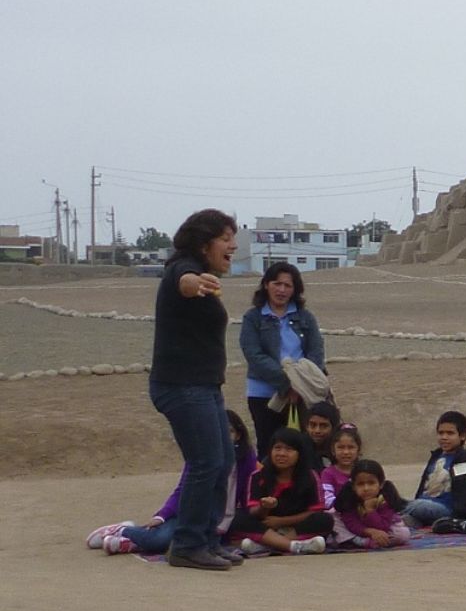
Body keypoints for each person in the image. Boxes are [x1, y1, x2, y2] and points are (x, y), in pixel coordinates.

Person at [148, 208, 242, 571]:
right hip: (182, 386)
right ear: (205, 244)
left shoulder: (197, 269)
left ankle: (207, 540)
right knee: (206, 464)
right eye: (226, 239)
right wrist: (195, 283)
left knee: (223, 462)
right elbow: (183, 281)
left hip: (202, 386)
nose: (233, 245)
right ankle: (186, 544)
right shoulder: (183, 268)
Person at [87, 410, 257, 557]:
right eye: (218, 432)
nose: (223, 437)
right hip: (189, 514)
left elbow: (248, 494)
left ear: (238, 435)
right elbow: (183, 489)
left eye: (229, 432)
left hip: (219, 523)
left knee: (188, 545)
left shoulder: (247, 458)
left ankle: (130, 543)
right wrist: (161, 516)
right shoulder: (201, 456)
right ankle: (123, 530)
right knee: (161, 540)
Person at [239, 261, 328, 456]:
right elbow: (253, 354)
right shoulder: (253, 318)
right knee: (270, 447)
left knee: (306, 448)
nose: (281, 290)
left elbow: (316, 350)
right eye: (276, 283)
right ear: (266, 285)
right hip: (263, 393)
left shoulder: (305, 317)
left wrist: (301, 384)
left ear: (295, 289)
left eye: (287, 285)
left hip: (304, 394)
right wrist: (286, 385)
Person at [231, 428, 334, 554]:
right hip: (266, 526)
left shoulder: (310, 476)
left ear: (299, 453)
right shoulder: (258, 476)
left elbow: (315, 510)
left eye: (289, 449)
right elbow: (254, 512)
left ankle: (269, 545)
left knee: (324, 520)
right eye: (278, 448)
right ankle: (293, 546)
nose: (282, 454)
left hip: (294, 526)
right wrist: (264, 507)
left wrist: (281, 522)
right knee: (237, 518)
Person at [403, 411, 466, 531]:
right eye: (441, 433)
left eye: (450, 433)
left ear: (462, 436)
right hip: (425, 506)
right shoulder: (436, 456)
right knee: (404, 519)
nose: (444, 437)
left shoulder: (463, 458)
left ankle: (400, 507)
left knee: (415, 505)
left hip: (447, 509)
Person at [334, 459, 412, 549]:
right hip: (358, 530)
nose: (366, 488)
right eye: (360, 484)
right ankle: (360, 541)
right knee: (334, 519)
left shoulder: (384, 500)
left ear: (381, 484)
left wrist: (370, 511)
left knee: (402, 534)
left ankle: (362, 541)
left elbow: (383, 526)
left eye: (371, 483)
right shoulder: (349, 499)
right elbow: (351, 523)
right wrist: (370, 531)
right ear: (353, 486)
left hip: (382, 530)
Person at [319, 423, 362, 509]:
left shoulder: (364, 470)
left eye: (351, 447)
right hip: (339, 513)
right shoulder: (328, 473)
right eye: (341, 447)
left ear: (358, 450)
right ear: (333, 450)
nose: (346, 452)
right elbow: (327, 500)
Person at [303, 402, 341, 468]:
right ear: (306, 426)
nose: (317, 431)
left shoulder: (341, 451)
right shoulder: (300, 449)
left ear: (334, 428)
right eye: (313, 425)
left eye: (324, 426)